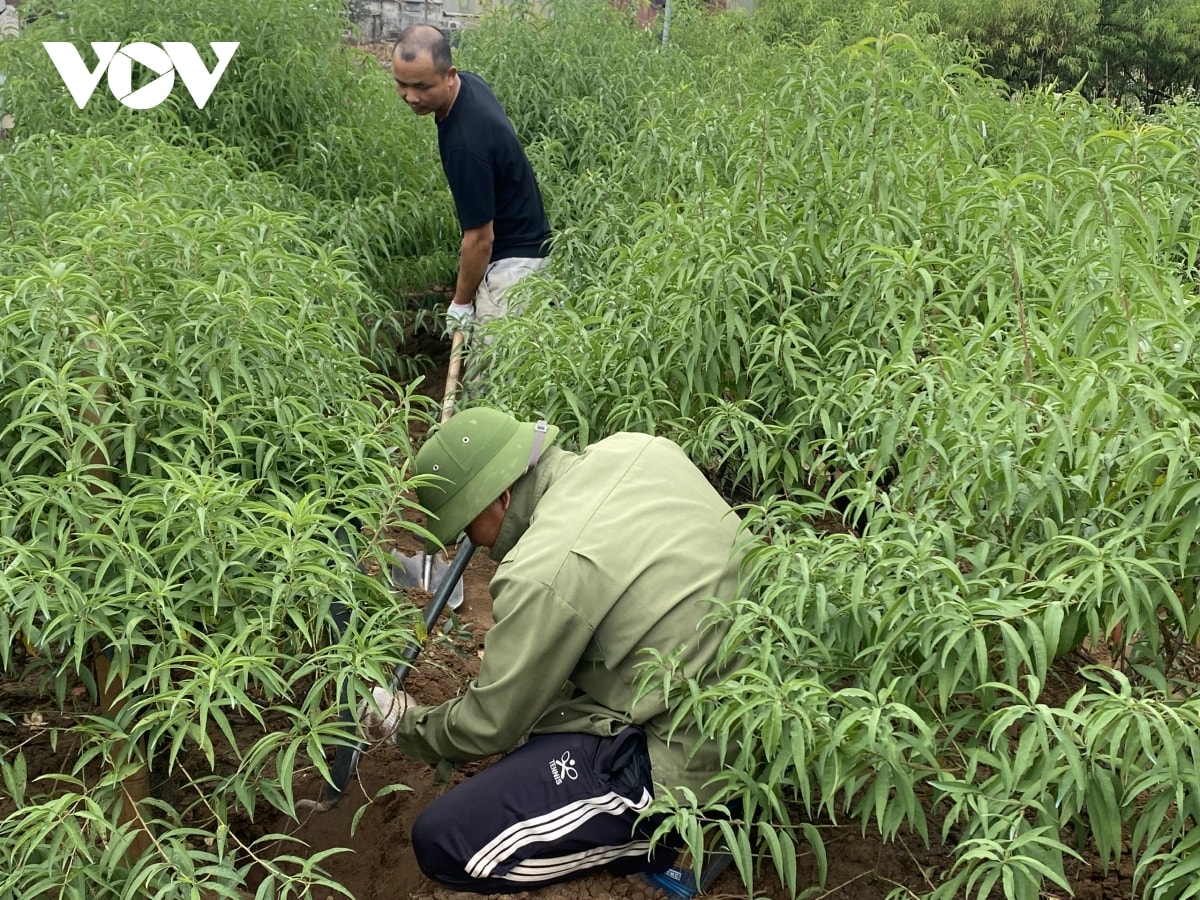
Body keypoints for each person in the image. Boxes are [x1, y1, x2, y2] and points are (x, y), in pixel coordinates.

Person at [360, 407, 744, 893]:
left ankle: (656, 841)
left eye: (467, 528)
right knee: (547, 718)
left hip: (693, 756)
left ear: (498, 496)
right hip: (762, 699)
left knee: (445, 841)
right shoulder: (639, 448)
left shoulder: (541, 570)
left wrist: (407, 727)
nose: (471, 545)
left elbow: (491, 724)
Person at [391, 25, 551, 334]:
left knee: (491, 378)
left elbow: (480, 239)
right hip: (528, 253)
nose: (411, 96)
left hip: (511, 273)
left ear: (449, 75)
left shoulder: (465, 143)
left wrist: (461, 302)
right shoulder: (470, 86)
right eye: (401, 83)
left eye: (422, 86)